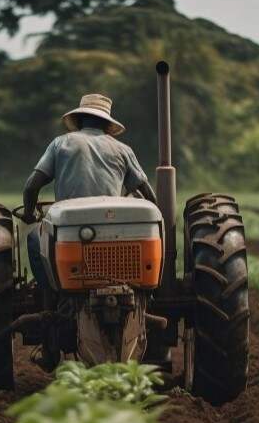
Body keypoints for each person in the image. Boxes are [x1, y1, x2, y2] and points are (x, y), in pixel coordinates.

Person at [21, 93, 157, 288]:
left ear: (79, 119)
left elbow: (31, 186)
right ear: (107, 124)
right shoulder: (123, 149)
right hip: (115, 227)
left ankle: (51, 294)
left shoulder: (61, 143)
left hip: (68, 225)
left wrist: (28, 213)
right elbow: (149, 196)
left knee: (35, 238)